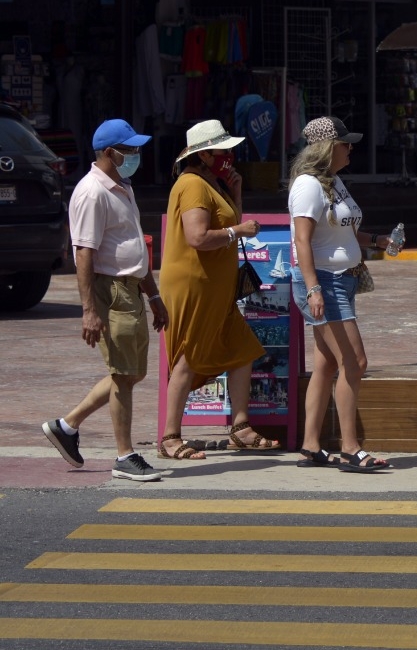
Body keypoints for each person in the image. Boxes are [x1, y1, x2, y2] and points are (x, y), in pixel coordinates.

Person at [42, 119, 168, 482]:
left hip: (130, 288)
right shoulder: (91, 192)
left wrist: (153, 294)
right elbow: (84, 252)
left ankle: (67, 426)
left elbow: (131, 245)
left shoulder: (121, 187)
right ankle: (124, 455)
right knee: (124, 374)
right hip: (111, 290)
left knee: (130, 371)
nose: (135, 155)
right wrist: (89, 311)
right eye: (129, 150)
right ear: (110, 153)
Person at [156, 119, 280, 460]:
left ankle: (241, 428)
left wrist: (236, 194)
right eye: (224, 150)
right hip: (196, 284)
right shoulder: (193, 185)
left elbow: (225, 224)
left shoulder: (212, 182)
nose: (230, 155)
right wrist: (238, 230)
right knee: (189, 356)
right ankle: (170, 437)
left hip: (216, 287)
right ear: (205, 154)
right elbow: (198, 237)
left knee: (241, 350)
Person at [289, 117, 395, 472]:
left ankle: (310, 445)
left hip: (341, 280)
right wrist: (314, 288)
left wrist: (378, 240)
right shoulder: (307, 186)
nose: (351, 148)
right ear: (326, 148)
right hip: (323, 282)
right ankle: (350, 448)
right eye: (345, 143)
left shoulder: (333, 181)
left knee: (327, 363)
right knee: (355, 361)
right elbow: (301, 240)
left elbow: (343, 232)